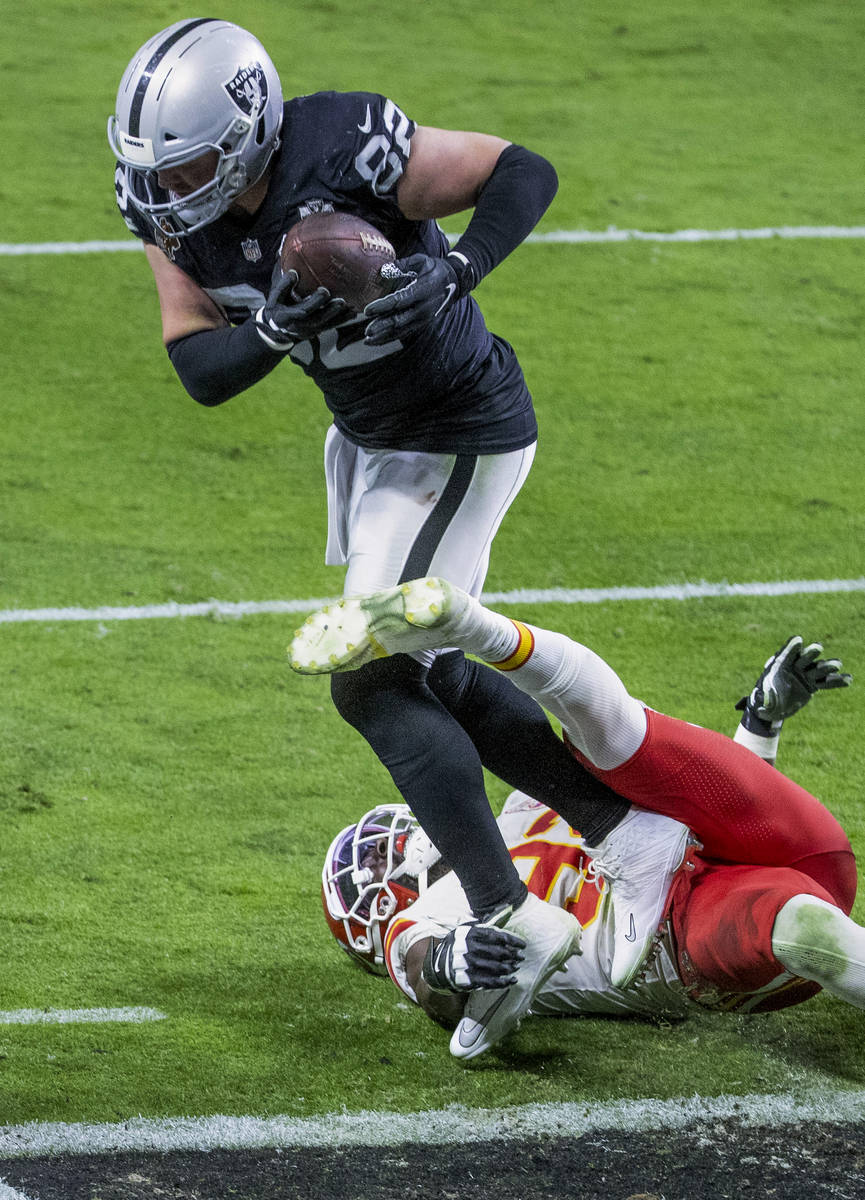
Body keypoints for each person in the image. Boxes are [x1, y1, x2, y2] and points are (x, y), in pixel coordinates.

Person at [108, 18, 675, 1000]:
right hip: (375, 442)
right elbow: (198, 363)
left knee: (369, 680)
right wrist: (278, 324)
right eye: (152, 170)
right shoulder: (171, 219)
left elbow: (518, 169)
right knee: (427, 678)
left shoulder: (342, 144)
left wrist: (456, 268)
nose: (165, 191)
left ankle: (510, 920)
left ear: (246, 130)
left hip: (459, 426)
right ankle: (624, 830)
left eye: (185, 164)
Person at [294, 577, 860, 1058]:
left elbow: (713, 804)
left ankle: (471, 635)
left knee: (608, 748)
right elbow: (425, 974)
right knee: (803, 923)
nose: (390, 845)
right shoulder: (425, 923)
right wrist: (448, 963)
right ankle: (467, 636)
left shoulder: (515, 813)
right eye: (371, 858)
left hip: (739, 845)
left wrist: (759, 727)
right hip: (674, 940)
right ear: (375, 903)